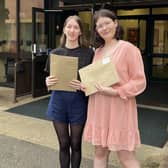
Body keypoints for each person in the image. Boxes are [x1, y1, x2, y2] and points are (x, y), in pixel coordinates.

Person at [83, 9, 146, 168]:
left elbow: (139, 81)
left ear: (115, 23)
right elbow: (96, 78)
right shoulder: (97, 51)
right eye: (99, 26)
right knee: (99, 152)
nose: (104, 28)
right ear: (96, 30)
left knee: (125, 156)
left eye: (107, 23)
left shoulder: (128, 49)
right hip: (99, 107)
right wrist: (87, 85)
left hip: (119, 107)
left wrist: (117, 91)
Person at [45, 15, 94, 168]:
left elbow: (93, 83)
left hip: (78, 103)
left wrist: (83, 85)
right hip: (58, 103)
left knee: (76, 144)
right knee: (64, 144)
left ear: (80, 32)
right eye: (69, 27)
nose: (72, 30)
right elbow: (49, 80)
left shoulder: (88, 53)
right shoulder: (55, 53)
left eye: (76, 27)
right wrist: (47, 83)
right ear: (64, 30)